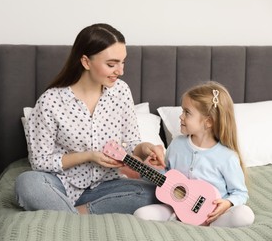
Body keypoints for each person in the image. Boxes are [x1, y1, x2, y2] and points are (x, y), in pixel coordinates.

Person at [15, 23, 165, 215]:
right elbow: (40, 161)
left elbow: (130, 143)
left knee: (157, 192)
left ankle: (74, 215)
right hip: (59, 185)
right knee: (27, 182)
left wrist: (144, 148)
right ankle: (75, 214)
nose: (120, 71)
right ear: (86, 62)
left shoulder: (121, 91)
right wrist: (89, 156)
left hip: (105, 186)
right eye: (111, 64)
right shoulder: (51, 101)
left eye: (123, 62)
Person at [133, 81, 255, 227]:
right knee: (140, 214)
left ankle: (207, 227)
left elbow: (240, 192)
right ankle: (183, 222)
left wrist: (228, 203)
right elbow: (167, 178)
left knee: (245, 215)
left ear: (208, 122)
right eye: (182, 111)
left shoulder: (226, 157)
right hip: (175, 210)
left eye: (187, 112)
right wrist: (152, 168)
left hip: (212, 216)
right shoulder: (177, 144)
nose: (181, 117)